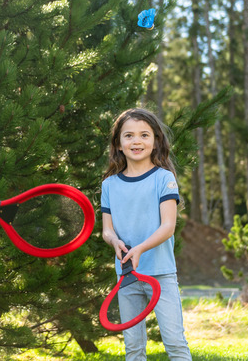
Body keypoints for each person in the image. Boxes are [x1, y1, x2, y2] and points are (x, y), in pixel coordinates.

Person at [100, 108, 192, 361]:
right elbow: (107, 230)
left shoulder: (164, 179)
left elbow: (167, 227)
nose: (136, 141)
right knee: (134, 348)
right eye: (128, 136)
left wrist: (139, 249)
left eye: (144, 135)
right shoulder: (109, 185)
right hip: (127, 276)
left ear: (156, 142)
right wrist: (114, 240)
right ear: (119, 144)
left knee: (175, 342)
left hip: (160, 274)